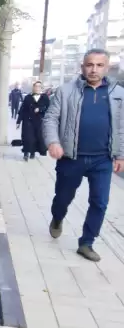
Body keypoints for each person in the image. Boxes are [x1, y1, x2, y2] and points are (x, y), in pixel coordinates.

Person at [43, 49, 124, 262]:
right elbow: (50, 118)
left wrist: (121, 155)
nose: (94, 69)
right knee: (63, 198)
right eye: (90, 65)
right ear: (82, 67)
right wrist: (53, 142)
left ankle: (87, 242)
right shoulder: (66, 91)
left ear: (106, 68)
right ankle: (57, 218)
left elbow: (122, 126)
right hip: (71, 157)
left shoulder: (118, 94)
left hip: (102, 159)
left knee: (100, 202)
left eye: (99, 65)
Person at [16, 81, 49, 161]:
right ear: (33, 87)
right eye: (36, 86)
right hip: (28, 121)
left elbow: (48, 108)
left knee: (36, 138)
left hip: (39, 121)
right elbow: (22, 110)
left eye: (39, 86)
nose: (37, 88)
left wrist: (40, 109)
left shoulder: (44, 97)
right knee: (28, 137)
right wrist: (18, 121)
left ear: (41, 88)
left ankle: (33, 152)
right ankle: (26, 153)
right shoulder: (28, 97)